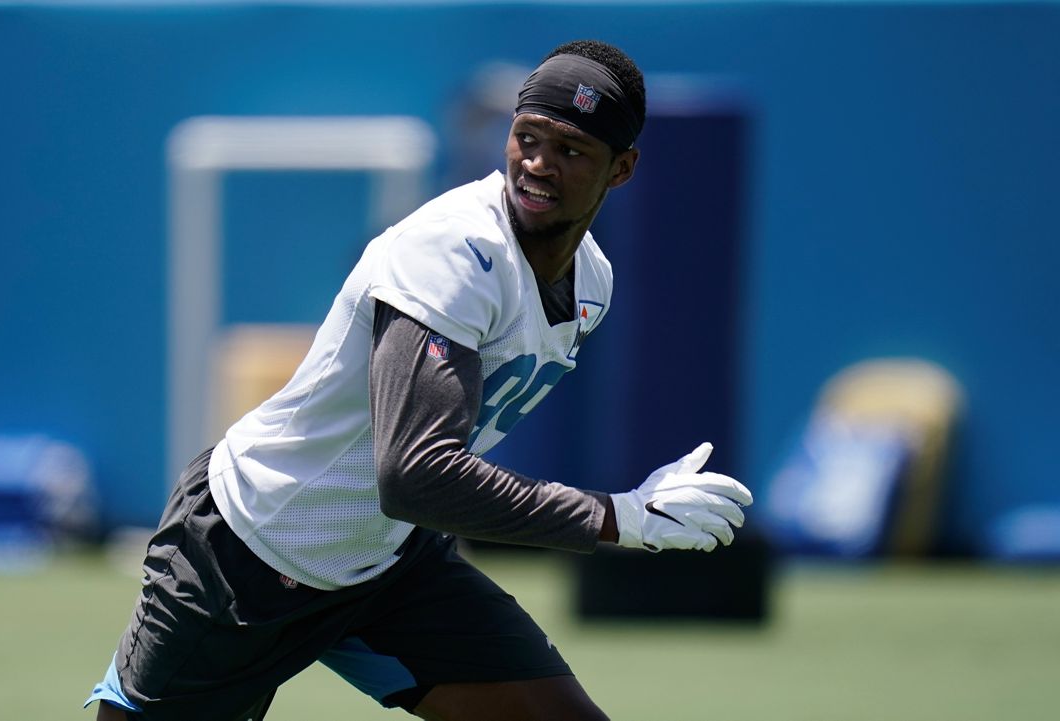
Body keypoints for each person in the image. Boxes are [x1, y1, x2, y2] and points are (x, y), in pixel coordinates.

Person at [86, 39, 752, 721]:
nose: (537, 164)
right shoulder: (453, 250)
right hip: (255, 549)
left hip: (384, 563)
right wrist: (618, 518)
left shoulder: (593, 282)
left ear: (623, 169)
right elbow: (415, 474)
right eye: (526, 137)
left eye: (572, 150)